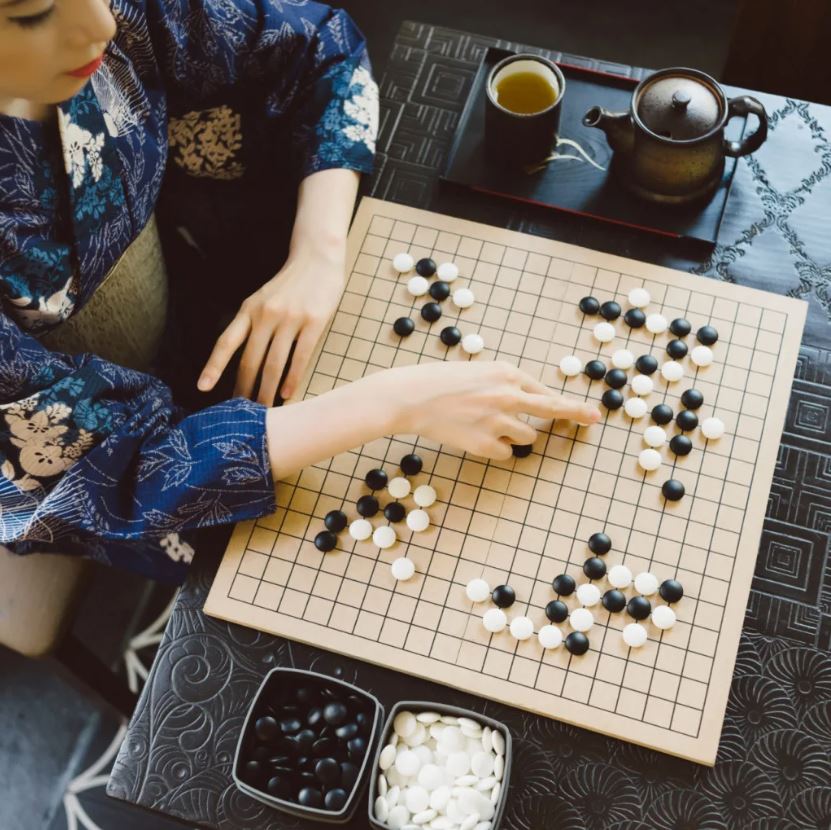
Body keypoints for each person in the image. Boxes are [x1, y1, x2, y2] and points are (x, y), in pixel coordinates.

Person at [0, 0, 600, 585]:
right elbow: (101, 480)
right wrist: (394, 404)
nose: (101, 24)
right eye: (28, 13)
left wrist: (318, 250)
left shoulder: (109, 14)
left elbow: (318, 44)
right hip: (114, 468)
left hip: (197, 299)